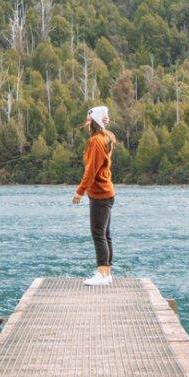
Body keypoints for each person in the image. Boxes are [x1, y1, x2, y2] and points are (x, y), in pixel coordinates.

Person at [72, 105, 116, 285]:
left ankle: (102, 274)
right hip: (106, 192)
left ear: (94, 121)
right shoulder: (106, 137)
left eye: (89, 120)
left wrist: (79, 191)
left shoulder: (96, 142)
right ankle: (107, 273)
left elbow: (91, 171)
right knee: (105, 234)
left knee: (98, 234)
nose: (86, 123)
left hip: (100, 194)